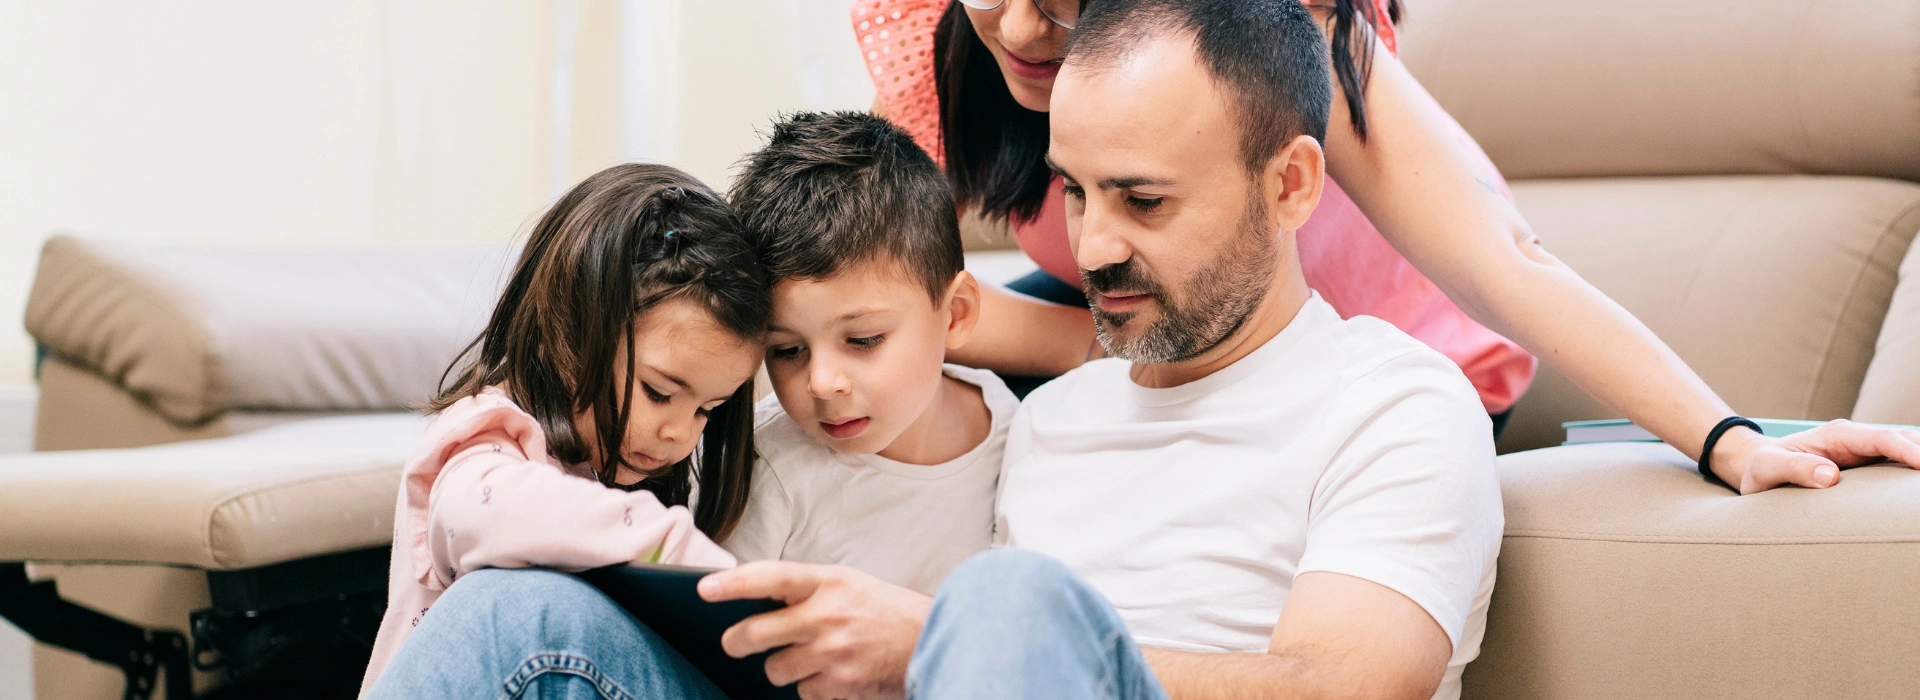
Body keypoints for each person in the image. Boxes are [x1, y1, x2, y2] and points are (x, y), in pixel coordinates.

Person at [359, 3, 1500, 698]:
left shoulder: (1395, 402)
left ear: (1291, 182)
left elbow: (1347, 686)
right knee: (514, 622)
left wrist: (935, 643)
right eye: (1074, 195)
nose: (1094, 246)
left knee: (1006, 602)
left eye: (1144, 200)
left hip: (1006, 657)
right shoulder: (1034, 418)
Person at [853, 0, 1920, 493]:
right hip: (1152, 316)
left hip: (1395, 345)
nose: (1027, 31)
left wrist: (1727, 436)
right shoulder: (940, 34)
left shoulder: (1265, 36)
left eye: (1067, 1)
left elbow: (1507, 262)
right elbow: (897, 287)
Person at [358, 163, 770, 696]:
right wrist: (666, 543)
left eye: (706, 411)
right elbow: (482, 511)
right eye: (659, 393)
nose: (680, 435)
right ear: (570, 331)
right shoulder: (488, 437)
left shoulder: (607, 465)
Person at [722, 111, 1019, 595]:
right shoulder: (765, 466)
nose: (822, 383)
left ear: (956, 313)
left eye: (863, 340)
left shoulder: (1009, 427)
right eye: (786, 350)